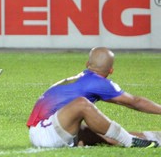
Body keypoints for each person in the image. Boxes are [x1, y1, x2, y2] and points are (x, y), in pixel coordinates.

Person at [27, 47, 161, 148]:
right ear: (111, 70)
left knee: (105, 136)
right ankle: (130, 142)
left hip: (43, 130)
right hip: (46, 133)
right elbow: (135, 102)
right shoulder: (98, 82)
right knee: (82, 104)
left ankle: (153, 138)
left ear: (87, 64)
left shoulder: (80, 79)